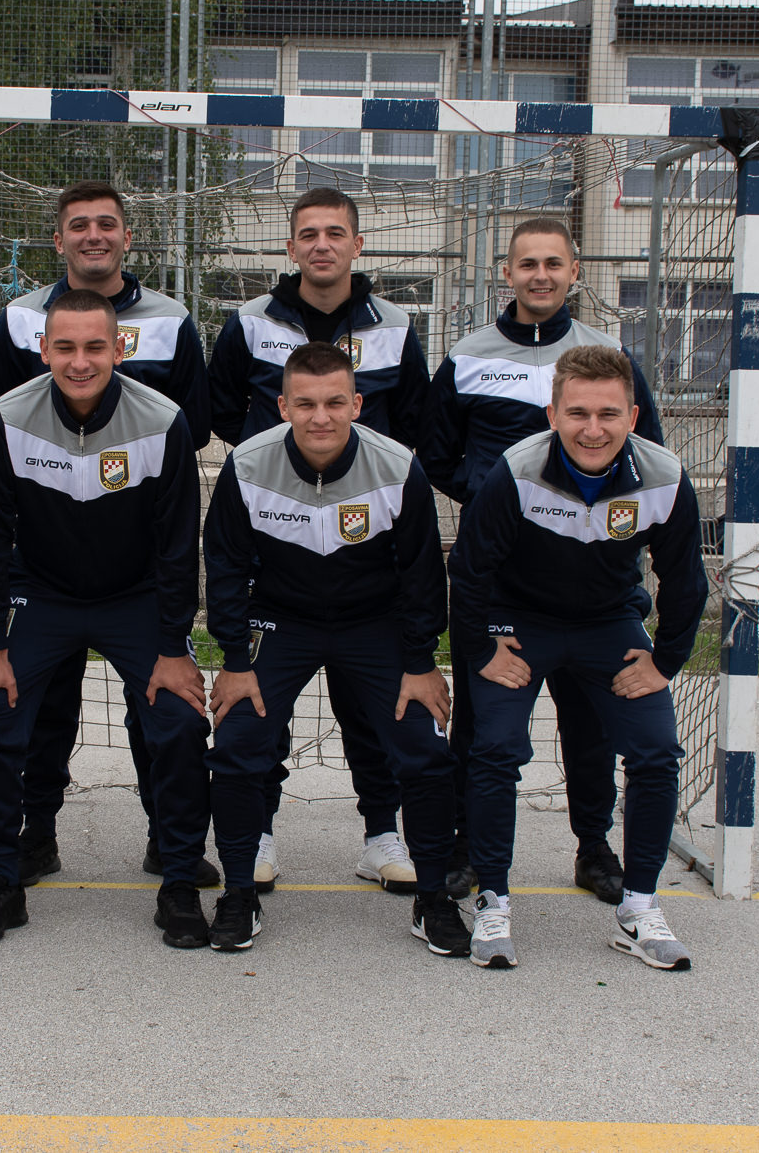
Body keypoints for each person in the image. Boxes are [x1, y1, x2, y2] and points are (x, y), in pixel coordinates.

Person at [0, 180, 215, 890]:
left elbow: (188, 431)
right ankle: (31, 840)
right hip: (42, 573)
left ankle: (170, 847)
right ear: (59, 239)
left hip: (132, 567)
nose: (94, 235)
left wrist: (117, 460)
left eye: (108, 224)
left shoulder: (171, 325)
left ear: (127, 237)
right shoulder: (19, 320)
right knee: (34, 708)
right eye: (79, 225)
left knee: (161, 710)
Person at [420, 217, 666, 904]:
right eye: (527, 264)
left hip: (597, 583)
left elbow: (647, 454)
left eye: (553, 263)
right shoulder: (468, 355)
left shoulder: (608, 356)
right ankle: (468, 847)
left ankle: (594, 847)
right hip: (503, 581)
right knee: (483, 729)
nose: (540, 275)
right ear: (507, 273)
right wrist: (492, 497)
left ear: (574, 272)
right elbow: (436, 452)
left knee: (590, 730)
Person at [202, 343, 466, 957]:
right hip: (281, 619)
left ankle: (434, 899)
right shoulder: (248, 463)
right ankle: (239, 894)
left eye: (334, 403)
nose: (320, 417)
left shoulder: (397, 466)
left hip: (374, 623)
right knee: (238, 741)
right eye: (305, 404)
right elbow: (225, 566)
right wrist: (236, 662)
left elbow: (423, 575)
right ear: (282, 407)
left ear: (357, 404)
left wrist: (421, 662)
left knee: (424, 749)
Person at [449, 345, 708, 970]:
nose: (593, 429)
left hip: (607, 623)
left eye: (608, 414)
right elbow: (469, 569)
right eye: (578, 413)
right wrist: (482, 649)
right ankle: (492, 898)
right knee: (496, 746)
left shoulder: (664, 476)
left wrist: (664, 662)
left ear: (633, 417)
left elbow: (686, 580)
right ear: (553, 415)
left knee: (655, 751)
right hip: (520, 621)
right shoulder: (516, 470)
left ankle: (640, 907)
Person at [206, 186, 431, 893]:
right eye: (309, 233)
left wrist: (362, 473)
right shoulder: (249, 322)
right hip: (278, 542)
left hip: (367, 551)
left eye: (335, 232)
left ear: (357, 245)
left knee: (371, 713)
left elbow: (414, 418)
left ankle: (381, 834)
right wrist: (278, 463)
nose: (322, 244)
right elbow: (220, 410)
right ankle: (260, 832)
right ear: (291, 246)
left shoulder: (395, 325)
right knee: (260, 717)